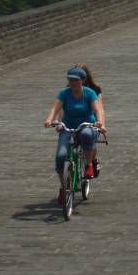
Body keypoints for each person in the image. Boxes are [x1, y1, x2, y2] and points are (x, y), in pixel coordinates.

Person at [43, 67, 106, 204]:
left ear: (82, 81)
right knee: (61, 156)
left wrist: (99, 122)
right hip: (68, 127)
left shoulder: (89, 93)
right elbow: (55, 108)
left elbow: (97, 109)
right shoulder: (64, 93)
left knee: (87, 135)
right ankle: (64, 186)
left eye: (76, 80)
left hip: (86, 124)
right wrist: (49, 120)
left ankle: (88, 164)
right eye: (70, 80)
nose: (73, 83)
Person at [76, 62, 104, 178]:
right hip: (75, 120)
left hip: (90, 121)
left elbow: (100, 109)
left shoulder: (95, 90)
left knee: (89, 138)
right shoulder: (69, 88)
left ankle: (93, 160)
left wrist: (101, 125)